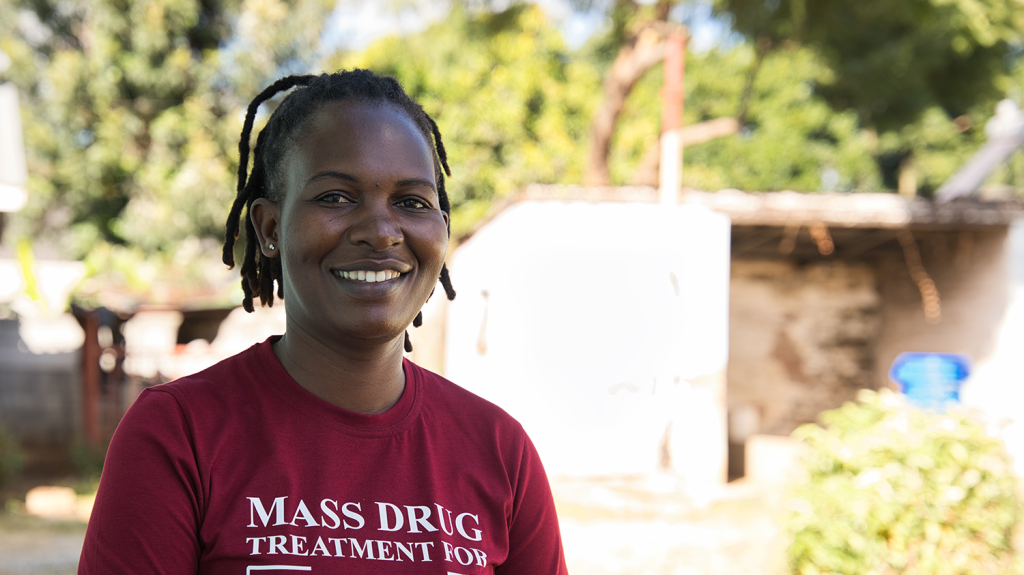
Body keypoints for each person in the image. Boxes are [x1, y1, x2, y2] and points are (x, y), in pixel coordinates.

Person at [79, 69, 568, 574]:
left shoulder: (501, 452)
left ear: (441, 229)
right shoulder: (179, 433)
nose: (381, 232)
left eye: (411, 202)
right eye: (335, 197)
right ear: (269, 227)